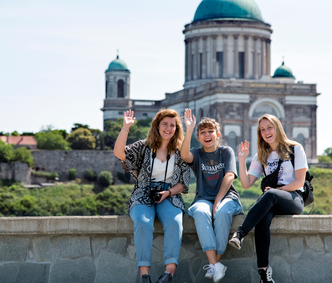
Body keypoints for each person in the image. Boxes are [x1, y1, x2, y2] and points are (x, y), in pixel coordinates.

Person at [228, 114, 308, 283]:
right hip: (272, 200)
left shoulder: (295, 149)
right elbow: (246, 183)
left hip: (293, 198)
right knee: (262, 219)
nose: (266, 132)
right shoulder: (261, 156)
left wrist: (277, 189)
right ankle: (264, 273)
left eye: (269, 127)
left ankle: (240, 234)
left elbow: (299, 181)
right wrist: (241, 159)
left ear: (277, 128)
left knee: (269, 194)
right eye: (262, 129)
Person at [114, 109, 190, 283]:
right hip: (143, 193)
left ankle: (169, 273)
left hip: (170, 195)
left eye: (172, 125)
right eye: (165, 124)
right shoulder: (144, 146)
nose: (168, 128)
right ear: (157, 126)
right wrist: (125, 128)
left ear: (177, 129)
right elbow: (119, 153)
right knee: (143, 223)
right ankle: (144, 275)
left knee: (175, 223)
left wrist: (168, 192)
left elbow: (184, 182)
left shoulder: (180, 151)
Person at [180, 108, 242, 283]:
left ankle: (214, 264)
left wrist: (217, 201)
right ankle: (215, 265)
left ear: (217, 134)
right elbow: (184, 155)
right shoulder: (197, 153)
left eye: (210, 131)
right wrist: (190, 129)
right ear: (198, 137)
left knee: (222, 213)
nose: (207, 135)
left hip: (227, 198)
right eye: (202, 133)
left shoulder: (226, 151)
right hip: (202, 199)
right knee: (200, 212)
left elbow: (229, 175)